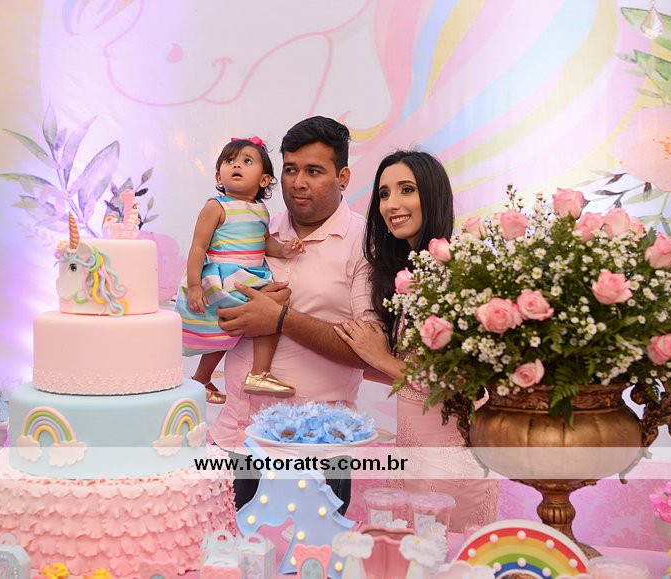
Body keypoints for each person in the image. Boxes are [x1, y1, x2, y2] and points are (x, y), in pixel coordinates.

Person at [212, 116, 375, 514]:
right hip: (235, 436)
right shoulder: (255, 226)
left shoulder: (365, 244)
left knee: (309, 551)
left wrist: (280, 319)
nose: (298, 182)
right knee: (224, 550)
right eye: (290, 169)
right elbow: (216, 306)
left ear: (343, 177)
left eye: (314, 171)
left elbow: (370, 351)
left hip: (312, 448)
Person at [333, 150, 498, 532]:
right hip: (412, 450)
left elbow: (461, 383)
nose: (392, 204)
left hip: (452, 458)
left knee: (447, 552)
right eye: (384, 193)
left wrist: (382, 359)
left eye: (406, 190)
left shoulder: (456, 271)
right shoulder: (408, 273)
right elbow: (413, 371)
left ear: (433, 194)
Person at [175, 137, 304, 404]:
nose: (236, 165)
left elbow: (265, 243)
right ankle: (211, 376)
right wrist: (195, 286)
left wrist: (285, 250)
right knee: (228, 329)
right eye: (230, 161)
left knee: (274, 306)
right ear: (218, 176)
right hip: (225, 278)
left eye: (247, 161)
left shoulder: (261, 211)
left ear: (264, 180)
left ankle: (254, 372)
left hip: (252, 276)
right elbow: (198, 247)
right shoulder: (216, 206)